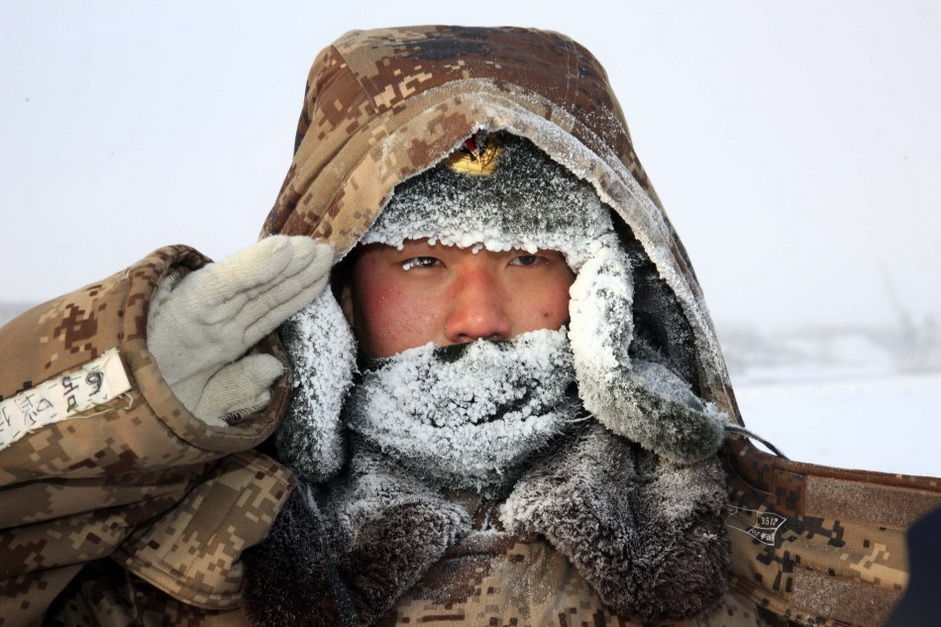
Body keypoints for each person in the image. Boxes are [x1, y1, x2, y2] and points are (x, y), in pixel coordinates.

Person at [0, 25, 936, 627]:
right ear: (334, 304)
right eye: (422, 261)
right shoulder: (162, 570)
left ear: (609, 293)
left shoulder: (812, 567)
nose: (477, 317)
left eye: (529, 258)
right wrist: (118, 397)